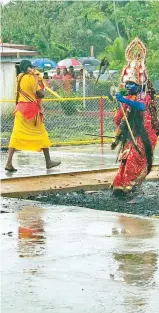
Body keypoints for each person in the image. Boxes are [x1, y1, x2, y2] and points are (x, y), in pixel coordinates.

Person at [111, 37, 158, 195]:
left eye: (132, 84)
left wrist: (124, 99)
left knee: (133, 159)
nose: (128, 86)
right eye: (127, 83)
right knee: (124, 159)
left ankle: (129, 188)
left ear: (140, 84)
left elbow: (141, 107)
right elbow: (119, 119)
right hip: (132, 136)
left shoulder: (144, 97)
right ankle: (120, 186)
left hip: (145, 135)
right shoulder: (128, 96)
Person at [5, 60, 61, 172]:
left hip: (20, 111)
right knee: (42, 134)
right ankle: (48, 162)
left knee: (15, 135)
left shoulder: (19, 77)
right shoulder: (33, 78)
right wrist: (42, 88)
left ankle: (9, 163)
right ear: (30, 67)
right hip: (31, 112)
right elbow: (40, 94)